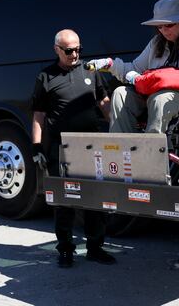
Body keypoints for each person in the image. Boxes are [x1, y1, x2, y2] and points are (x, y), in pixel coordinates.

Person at [31, 28, 115, 268]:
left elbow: (104, 102)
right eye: (69, 51)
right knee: (65, 200)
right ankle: (65, 250)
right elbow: (39, 114)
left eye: (79, 49)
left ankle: (95, 248)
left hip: (93, 145)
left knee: (96, 198)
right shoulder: (45, 77)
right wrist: (36, 146)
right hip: (62, 147)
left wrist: (118, 129)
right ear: (57, 50)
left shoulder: (90, 71)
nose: (75, 54)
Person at [88, 0, 179, 134]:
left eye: (168, 25)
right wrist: (110, 64)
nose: (164, 30)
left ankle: (151, 151)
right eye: (159, 26)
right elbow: (134, 69)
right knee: (121, 93)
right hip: (156, 91)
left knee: (160, 98)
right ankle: (123, 149)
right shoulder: (156, 42)